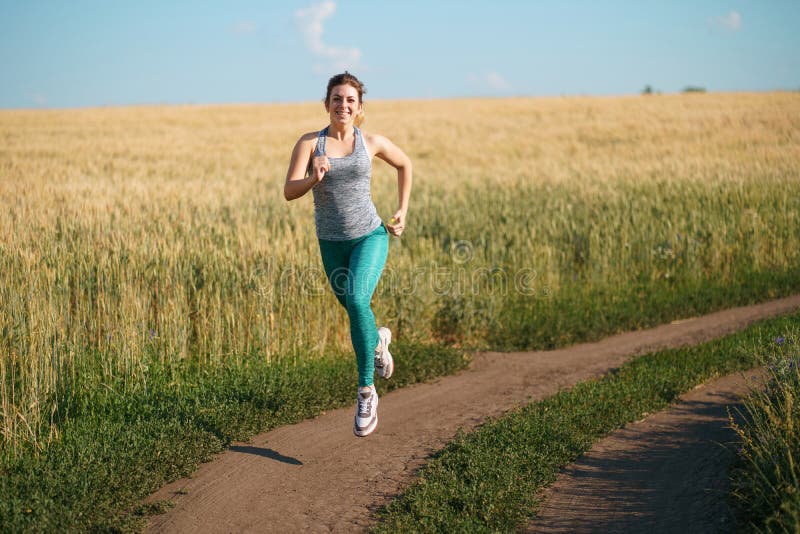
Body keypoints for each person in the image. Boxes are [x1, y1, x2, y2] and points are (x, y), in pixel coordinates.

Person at [283, 72, 412, 437]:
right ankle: (378, 341)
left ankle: (366, 392)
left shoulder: (370, 142)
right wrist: (313, 178)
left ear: (359, 108)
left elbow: (405, 164)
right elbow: (289, 190)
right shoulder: (310, 144)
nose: (343, 105)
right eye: (337, 99)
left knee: (357, 301)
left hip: (370, 237)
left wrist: (402, 209)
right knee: (356, 312)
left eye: (350, 100)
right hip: (331, 244)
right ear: (327, 105)